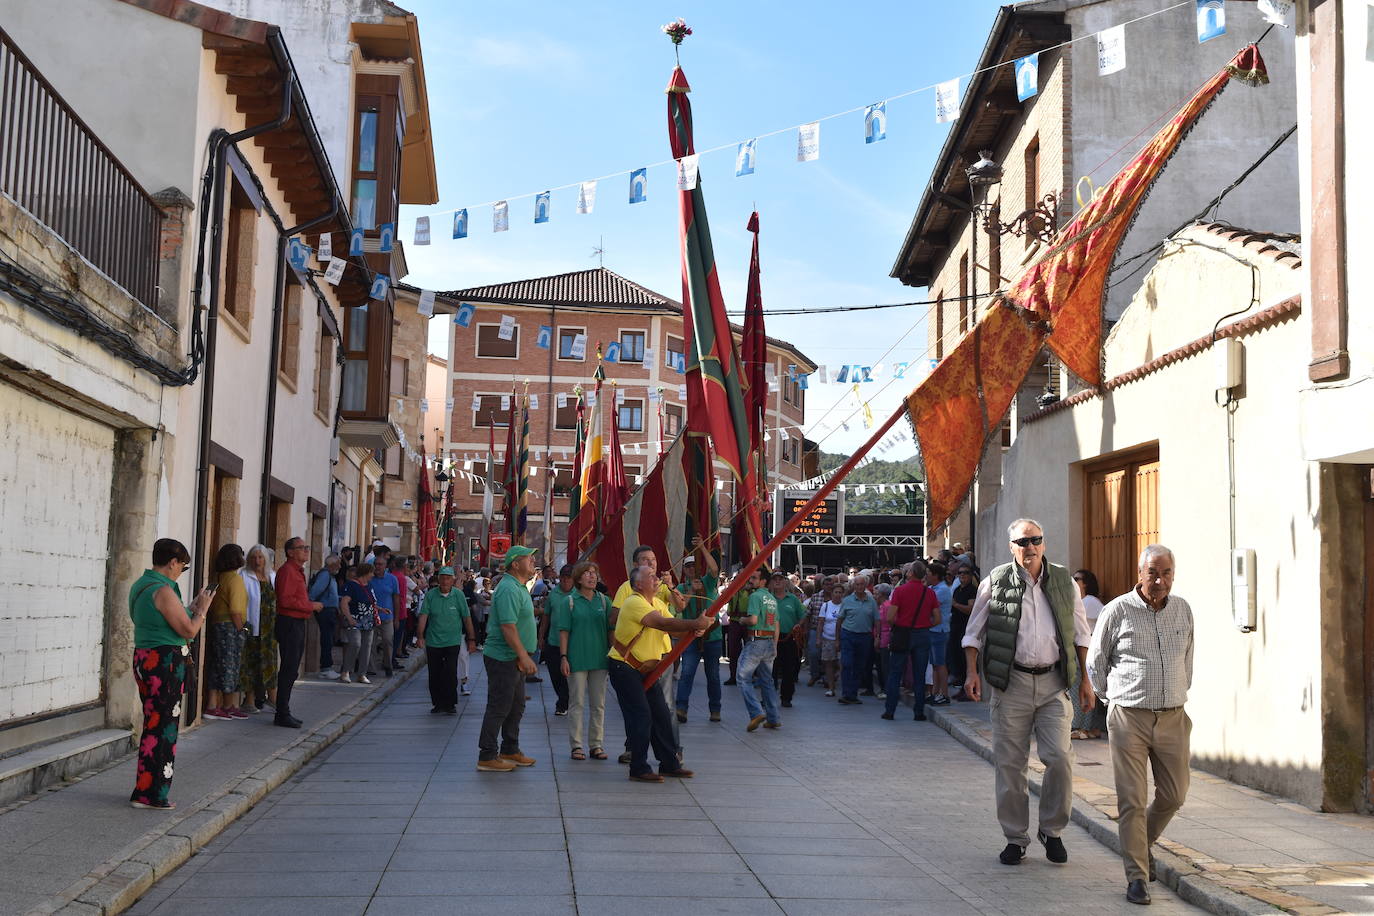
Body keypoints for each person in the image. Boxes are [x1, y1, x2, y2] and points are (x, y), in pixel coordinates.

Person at [962, 519, 1093, 866]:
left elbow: (1081, 635)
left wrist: (1086, 681)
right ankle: (1015, 838)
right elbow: (973, 632)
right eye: (1023, 542)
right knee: (1010, 766)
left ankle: (1052, 830)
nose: (1030, 547)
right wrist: (972, 673)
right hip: (1012, 684)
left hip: (1053, 684)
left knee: (1060, 760)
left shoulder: (1065, 581)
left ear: (1044, 544)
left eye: (1036, 540)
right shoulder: (995, 581)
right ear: (1012, 547)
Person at [1088, 546, 1194, 907]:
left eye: (1166, 573)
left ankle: (1140, 845)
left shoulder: (1182, 609)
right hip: (1129, 717)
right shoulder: (1117, 610)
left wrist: (1176, 691)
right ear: (1140, 573)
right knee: (1132, 800)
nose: (1160, 580)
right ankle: (1137, 877)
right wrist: (1111, 700)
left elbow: (1188, 659)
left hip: (1173, 717)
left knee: (1174, 795)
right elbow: (1096, 662)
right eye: (1153, 573)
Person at [128, 538, 212, 809]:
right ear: (172, 562)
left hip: (145, 658)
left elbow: (167, 620)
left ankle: (143, 791)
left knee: (153, 724)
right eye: (182, 567)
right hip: (164, 662)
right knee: (164, 729)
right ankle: (154, 795)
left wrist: (192, 608)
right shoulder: (163, 590)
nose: (180, 572)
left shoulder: (141, 585)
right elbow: (188, 630)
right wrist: (203, 611)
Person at [607, 566, 711, 781]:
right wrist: (695, 624)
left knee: (662, 714)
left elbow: (672, 629)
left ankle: (669, 764)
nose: (656, 578)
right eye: (650, 576)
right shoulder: (634, 602)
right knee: (641, 715)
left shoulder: (658, 603)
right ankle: (639, 767)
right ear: (638, 584)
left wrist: (695, 628)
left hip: (646, 668)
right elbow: (663, 623)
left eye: (655, 575)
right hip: (624, 667)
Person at [477, 546, 541, 772]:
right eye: (529, 558)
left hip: (514, 657)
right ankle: (487, 755)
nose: (533, 561)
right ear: (515, 564)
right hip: (504, 657)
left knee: (516, 706)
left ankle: (510, 749)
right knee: (499, 705)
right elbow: (508, 626)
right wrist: (523, 655)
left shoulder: (519, 586)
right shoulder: (508, 589)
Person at [557, 561, 614, 760]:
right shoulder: (569, 602)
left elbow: (610, 631)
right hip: (576, 659)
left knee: (598, 704)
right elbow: (563, 632)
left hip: (600, 659)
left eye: (594, 573)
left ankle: (596, 744)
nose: (592, 577)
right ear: (579, 578)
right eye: (587, 573)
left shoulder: (604, 601)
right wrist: (563, 657)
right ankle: (576, 745)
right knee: (577, 703)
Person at [273, 537, 322, 729]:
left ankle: (284, 710)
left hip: (297, 622)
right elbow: (285, 600)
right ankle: (282, 713)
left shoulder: (298, 572)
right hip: (289, 623)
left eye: (307, 547)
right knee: (289, 669)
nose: (306, 551)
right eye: (302, 548)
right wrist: (311, 605)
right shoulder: (287, 571)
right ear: (290, 552)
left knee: (292, 669)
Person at [417, 566, 477, 715]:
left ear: (453, 580)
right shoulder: (431, 595)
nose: (445, 580)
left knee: (450, 672)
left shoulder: (458, 595)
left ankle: (450, 703)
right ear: (438, 579)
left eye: (448, 578)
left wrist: (471, 639)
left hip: (452, 640)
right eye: (442, 577)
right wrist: (420, 636)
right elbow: (423, 616)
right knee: (434, 673)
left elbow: (466, 617)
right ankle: (437, 703)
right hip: (433, 641)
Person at [674, 537, 722, 723]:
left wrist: (702, 547)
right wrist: (692, 591)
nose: (692, 569)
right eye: (688, 567)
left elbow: (714, 569)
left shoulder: (708, 582)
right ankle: (681, 708)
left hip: (712, 635)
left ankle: (715, 709)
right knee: (687, 673)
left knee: (713, 675)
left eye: (694, 566)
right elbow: (680, 608)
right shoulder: (681, 588)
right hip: (691, 636)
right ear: (684, 570)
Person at [884, 561, 938, 721]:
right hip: (922, 634)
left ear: (910, 574)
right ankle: (918, 712)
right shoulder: (929, 593)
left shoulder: (900, 591)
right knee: (919, 675)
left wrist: (898, 626)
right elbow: (938, 618)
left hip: (903, 633)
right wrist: (926, 624)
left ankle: (890, 711)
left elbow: (890, 617)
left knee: (895, 673)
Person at [204, 544, 248, 720]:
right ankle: (229, 705)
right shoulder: (235, 580)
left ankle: (212, 705)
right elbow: (236, 610)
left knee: (216, 666)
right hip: (230, 626)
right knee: (231, 666)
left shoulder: (219, 577)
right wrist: (242, 630)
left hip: (216, 624)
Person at [737, 572, 784, 730]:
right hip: (769, 641)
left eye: (754, 578)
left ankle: (756, 712)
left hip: (756, 641)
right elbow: (776, 624)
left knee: (743, 678)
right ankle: (773, 717)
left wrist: (742, 620)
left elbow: (753, 620)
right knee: (767, 681)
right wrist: (775, 646)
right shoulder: (771, 599)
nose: (750, 580)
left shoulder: (755, 596)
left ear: (763, 581)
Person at [239, 544, 279, 714]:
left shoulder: (272, 576)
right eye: (254, 557)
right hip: (252, 626)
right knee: (251, 663)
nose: (257, 561)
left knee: (270, 662)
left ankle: (273, 698)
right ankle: (249, 700)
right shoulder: (243, 575)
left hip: (270, 628)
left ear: (266, 559)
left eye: (260, 557)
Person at [1071, 568, 1108, 739]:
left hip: (1087, 650)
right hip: (1082, 650)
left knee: (1081, 686)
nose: (1074, 580)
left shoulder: (1090, 601)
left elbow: (1104, 621)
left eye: (1077, 578)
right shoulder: (1082, 601)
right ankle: (1086, 728)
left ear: (1085, 583)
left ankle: (1081, 728)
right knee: (1081, 687)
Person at [836, 574, 878, 705]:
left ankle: (853, 694)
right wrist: (837, 639)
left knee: (860, 666)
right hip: (848, 635)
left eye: (862, 585)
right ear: (854, 586)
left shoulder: (871, 601)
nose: (860, 587)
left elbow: (877, 620)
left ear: (865, 586)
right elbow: (840, 620)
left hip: (865, 636)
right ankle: (846, 693)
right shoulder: (847, 600)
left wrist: (877, 636)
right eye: (857, 584)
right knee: (847, 664)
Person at [540, 565, 575, 716]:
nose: (566, 580)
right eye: (564, 577)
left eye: (569, 577)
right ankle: (562, 699)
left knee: (567, 676)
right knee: (555, 674)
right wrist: (541, 636)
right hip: (553, 641)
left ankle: (562, 704)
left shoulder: (578, 595)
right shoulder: (553, 594)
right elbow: (546, 617)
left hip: (572, 644)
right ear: (560, 578)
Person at [338, 562, 379, 684]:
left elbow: (371, 602)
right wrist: (349, 618)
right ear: (366, 572)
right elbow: (344, 603)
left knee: (367, 647)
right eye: (371, 572)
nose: (373, 574)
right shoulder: (351, 585)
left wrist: (380, 609)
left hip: (368, 621)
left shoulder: (369, 585)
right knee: (355, 644)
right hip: (355, 619)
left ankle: (362, 673)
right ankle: (346, 671)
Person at [772, 571, 807, 708]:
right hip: (770, 638)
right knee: (769, 670)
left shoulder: (792, 599)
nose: (778, 581)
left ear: (786, 582)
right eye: (775, 579)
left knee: (788, 669)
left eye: (780, 579)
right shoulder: (767, 598)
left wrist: (799, 624)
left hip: (788, 637)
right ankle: (768, 696)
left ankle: (786, 697)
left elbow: (803, 614)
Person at [310, 555, 342, 679]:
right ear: (332, 564)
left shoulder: (330, 575)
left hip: (330, 610)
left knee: (329, 639)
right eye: (338, 563)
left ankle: (327, 667)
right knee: (327, 639)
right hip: (325, 611)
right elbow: (315, 591)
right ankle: (326, 668)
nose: (339, 566)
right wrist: (311, 604)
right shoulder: (325, 575)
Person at [926, 561, 953, 705]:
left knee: (940, 663)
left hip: (939, 630)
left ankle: (944, 694)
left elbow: (929, 606)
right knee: (935, 664)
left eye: (929, 574)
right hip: (932, 630)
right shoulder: (932, 588)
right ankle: (935, 692)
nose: (926, 576)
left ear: (935, 575)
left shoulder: (942, 590)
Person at [949, 565, 977, 700]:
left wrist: (956, 605)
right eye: (960, 573)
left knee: (964, 659)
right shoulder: (957, 590)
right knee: (956, 658)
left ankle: (969, 690)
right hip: (955, 626)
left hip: (966, 627)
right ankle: (962, 687)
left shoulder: (972, 591)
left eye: (965, 573)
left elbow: (970, 609)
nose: (962, 575)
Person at [818, 584, 844, 697]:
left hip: (842, 639)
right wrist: (818, 638)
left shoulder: (844, 606)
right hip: (827, 638)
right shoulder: (826, 606)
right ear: (832, 593)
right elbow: (820, 622)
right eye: (836, 592)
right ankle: (831, 687)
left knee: (841, 663)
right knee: (828, 663)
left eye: (840, 592)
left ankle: (843, 686)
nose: (838, 594)